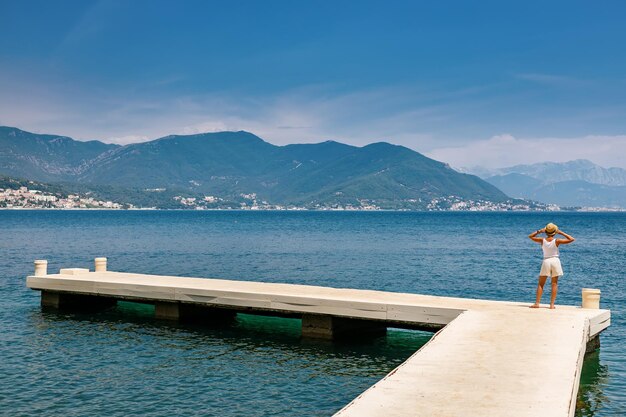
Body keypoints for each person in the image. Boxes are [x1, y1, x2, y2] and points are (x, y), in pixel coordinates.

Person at [528, 223, 575, 309]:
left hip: (546, 261)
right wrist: (561, 233)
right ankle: (552, 305)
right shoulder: (557, 241)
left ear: (546, 231)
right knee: (554, 284)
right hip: (555, 261)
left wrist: (539, 231)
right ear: (554, 232)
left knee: (541, 284)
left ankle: (537, 303)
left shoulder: (542, 240)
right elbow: (572, 239)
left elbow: (530, 236)